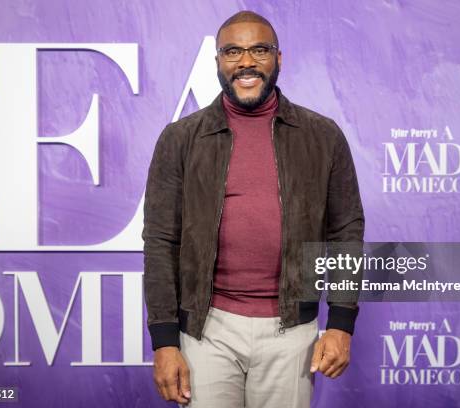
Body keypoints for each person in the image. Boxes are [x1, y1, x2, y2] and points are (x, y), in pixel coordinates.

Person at [142, 10, 364, 408]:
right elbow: (160, 241)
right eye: (233, 51)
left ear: (279, 59)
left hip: (292, 330)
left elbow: (346, 232)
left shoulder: (323, 135)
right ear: (218, 63)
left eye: (259, 50)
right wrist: (164, 341)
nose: (246, 62)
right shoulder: (180, 139)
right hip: (206, 329)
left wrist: (341, 323)